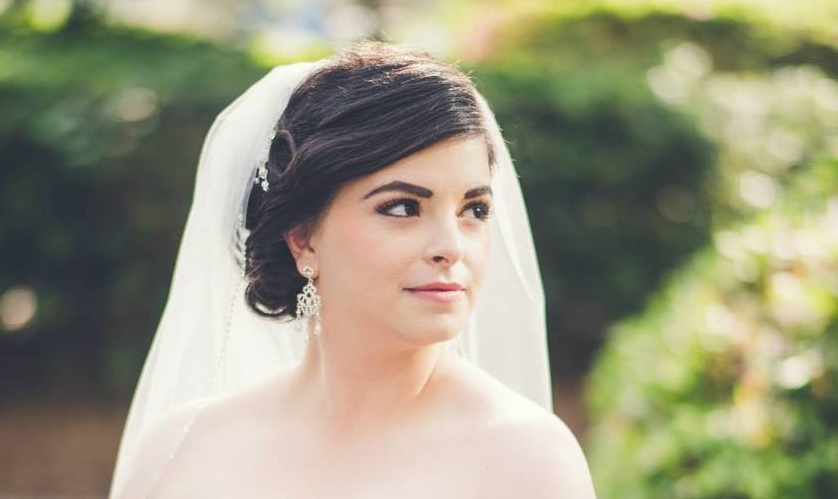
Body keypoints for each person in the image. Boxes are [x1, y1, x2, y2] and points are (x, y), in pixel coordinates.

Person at [109, 41, 597, 498]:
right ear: (302, 236)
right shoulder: (179, 451)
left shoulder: (527, 460)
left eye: (474, 210)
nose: (451, 247)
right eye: (403, 208)